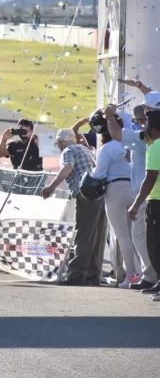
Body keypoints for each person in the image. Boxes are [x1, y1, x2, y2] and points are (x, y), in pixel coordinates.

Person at [41, 129, 106, 286]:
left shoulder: (68, 151)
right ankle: (93, 273)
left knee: (83, 234)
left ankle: (76, 273)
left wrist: (51, 187)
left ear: (62, 141)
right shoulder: (85, 149)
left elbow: (68, 167)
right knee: (97, 235)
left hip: (84, 193)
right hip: (99, 193)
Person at [87, 108, 141, 288]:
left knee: (123, 236)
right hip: (134, 187)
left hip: (115, 189)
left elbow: (99, 173)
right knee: (136, 235)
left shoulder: (107, 148)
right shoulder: (132, 143)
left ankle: (132, 276)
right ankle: (143, 274)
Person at [107, 102, 158, 290]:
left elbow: (117, 134)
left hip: (149, 193)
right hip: (149, 192)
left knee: (140, 234)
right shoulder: (148, 138)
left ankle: (152, 274)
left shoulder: (148, 137)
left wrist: (109, 116)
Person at [128, 110, 160, 301]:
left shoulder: (155, 147)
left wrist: (135, 205)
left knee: (154, 245)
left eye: (147, 124)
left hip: (156, 201)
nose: (144, 128)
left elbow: (149, 179)